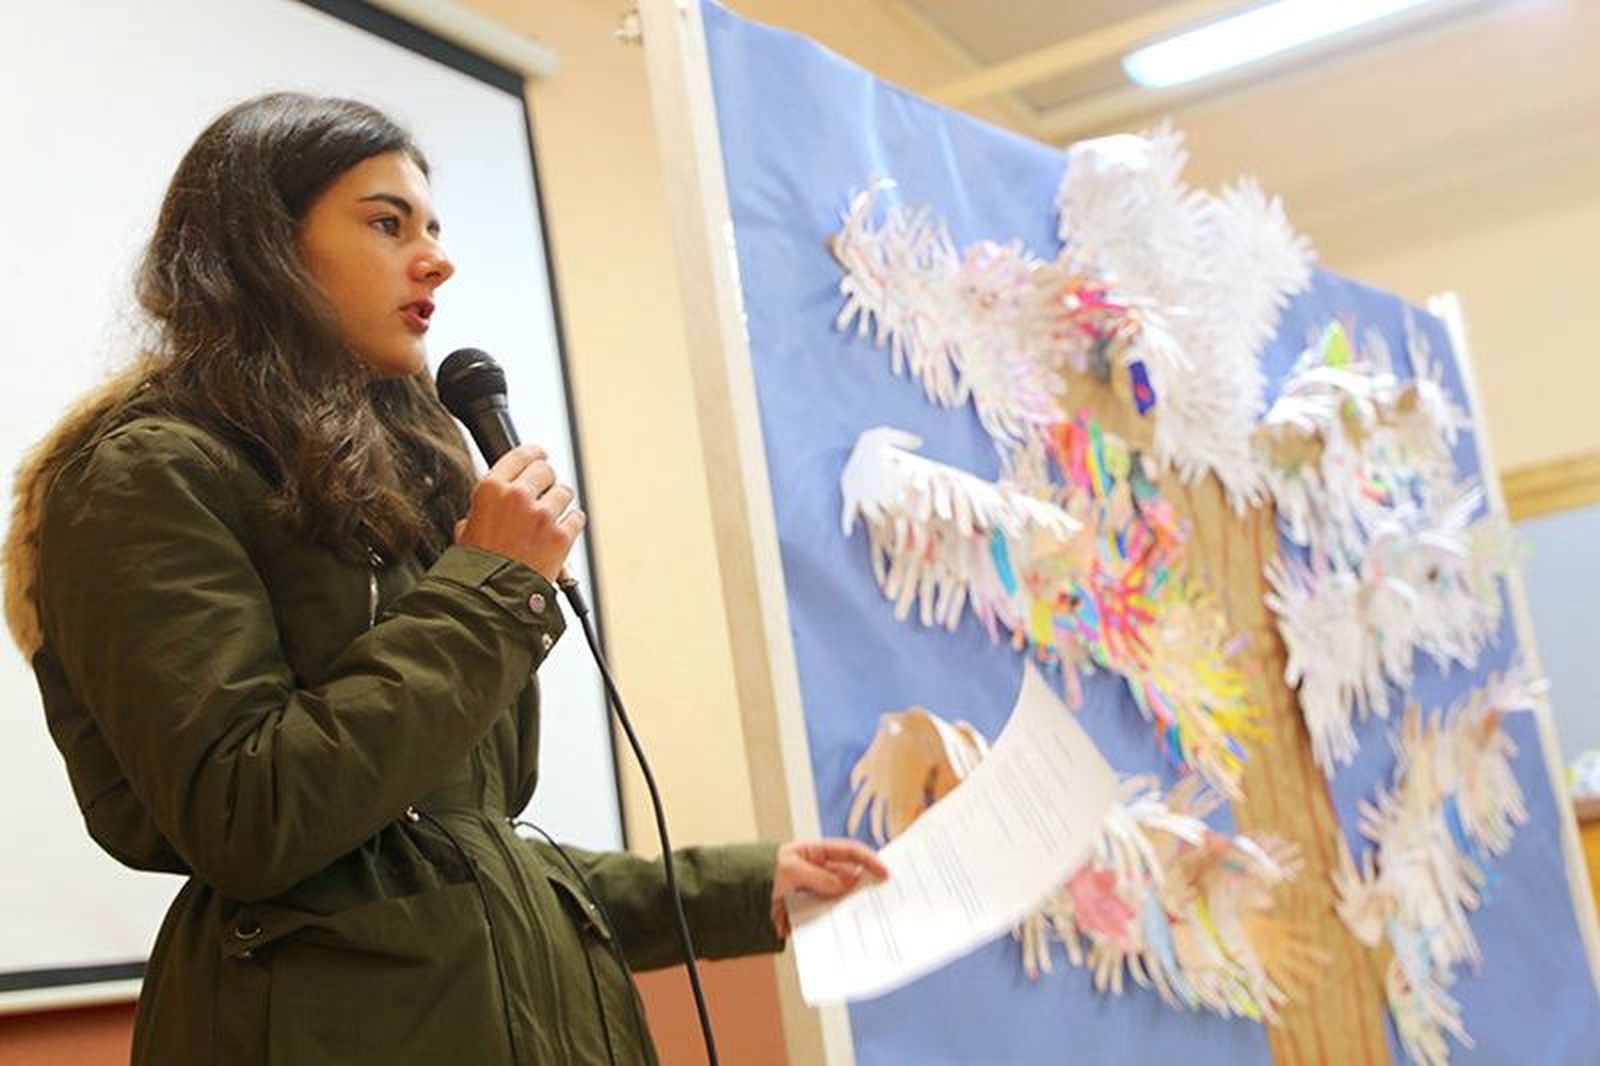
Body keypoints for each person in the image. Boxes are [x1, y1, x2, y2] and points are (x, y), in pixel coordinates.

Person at [2, 92, 884, 1065]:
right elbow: (247, 812)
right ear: (262, 244)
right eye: (386, 222)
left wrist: (743, 887)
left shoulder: (390, 490)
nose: (436, 258)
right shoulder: (145, 471)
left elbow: (461, 852)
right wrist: (491, 583)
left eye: (433, 227)